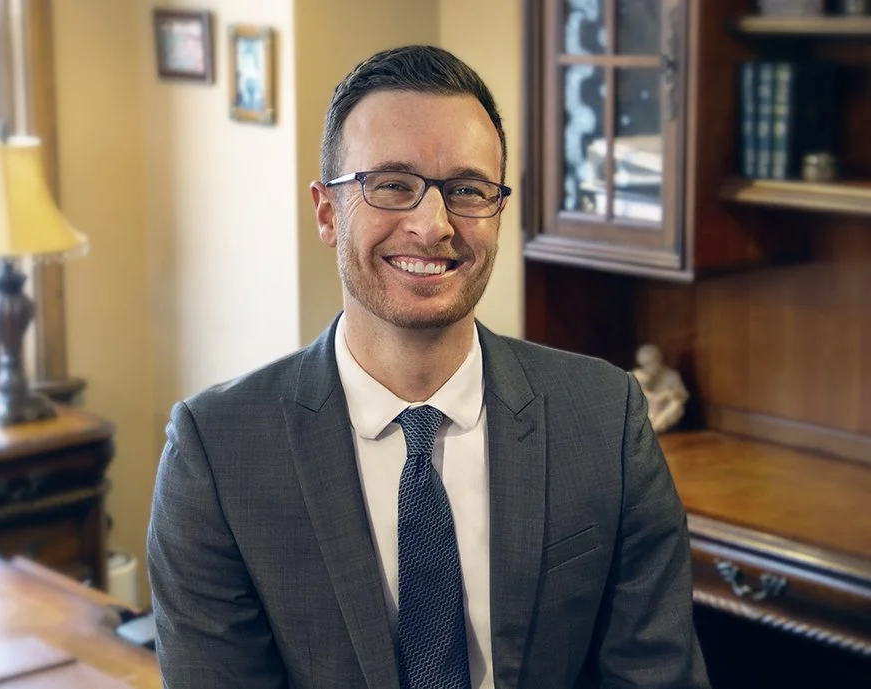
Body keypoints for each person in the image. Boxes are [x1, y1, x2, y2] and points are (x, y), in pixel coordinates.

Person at [147, 45, 710, 689]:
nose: (434, 224)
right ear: (328, 211)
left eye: (467, 191)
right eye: (392, 185)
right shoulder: (217, 452)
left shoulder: (606, 417)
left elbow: (657, 675)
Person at [632, 343, 690, 434]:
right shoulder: (638, 375)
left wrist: (670, 394)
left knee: (676, 404)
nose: (648, 367)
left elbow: (683, 396)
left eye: (650, 363)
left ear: (658, 360)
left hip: (663, 411)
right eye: (644, 364)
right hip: (649, 410)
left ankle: (654, 429)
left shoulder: (671, 375)